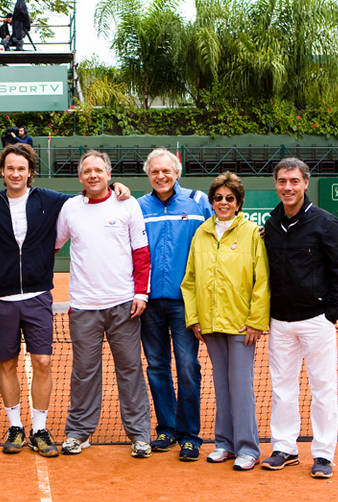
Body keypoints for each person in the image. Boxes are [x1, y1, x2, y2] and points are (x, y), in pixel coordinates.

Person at [0, 143, 131, 457]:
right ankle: (15, 427)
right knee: (7, 364)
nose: (15, 174)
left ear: (30, 172)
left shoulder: (52, 201)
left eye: (21, 168)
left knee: (44, 363)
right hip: (1, 298)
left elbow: (91, 195)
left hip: (37, 296)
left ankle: (38, 429)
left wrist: (116, 186)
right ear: (2, 171)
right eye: (10, 168)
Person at [55, 150, 152, 458]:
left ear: (109, 174)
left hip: (124, 304)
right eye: (87, 171)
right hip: (83, 307)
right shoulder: (70, 208)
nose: (93, 175)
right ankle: (79, 433)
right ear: (80, 177)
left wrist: (141, 294)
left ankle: (139, 435)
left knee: (130, 369)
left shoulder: (127, 204)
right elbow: (53, 243)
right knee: (84, 371)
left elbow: (141, 253)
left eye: (99, 170)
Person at [260, 158, 338, 479]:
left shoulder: (326, 222)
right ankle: (284, 448)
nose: (288, 187)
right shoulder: (271, 225)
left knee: (323, 389)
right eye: (282, 181)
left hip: (317, 320)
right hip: (280, 322)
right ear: (276, 184)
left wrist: (331, 314)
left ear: (305, 184)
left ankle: (324, 454)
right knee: (282, 389)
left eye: (294, 181)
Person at [181, 171, 270, 471]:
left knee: (241, 386)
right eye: (218, 197)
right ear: (212, 201)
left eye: (229, 198)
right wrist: (194, 318)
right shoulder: (202, 234)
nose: (223, 202)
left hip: (241, 325)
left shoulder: (251, 234)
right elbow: (190, 281)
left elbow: (262, 281)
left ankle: (248, 447)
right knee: (221, 385)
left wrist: (256, 321)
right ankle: (225, 443)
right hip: (210, 324)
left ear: (238, 202)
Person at [136, 148, 212, 462]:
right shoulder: (137, 206)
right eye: (155, 172)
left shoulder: (198, 202)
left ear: (176, 172)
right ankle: (166, 428)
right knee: (156, 367)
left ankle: (190, 435)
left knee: (188, 368)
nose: (161, 176)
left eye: (166, 171)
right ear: (148, 174)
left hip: (185, 304)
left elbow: (216, 239)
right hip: (149, 304)